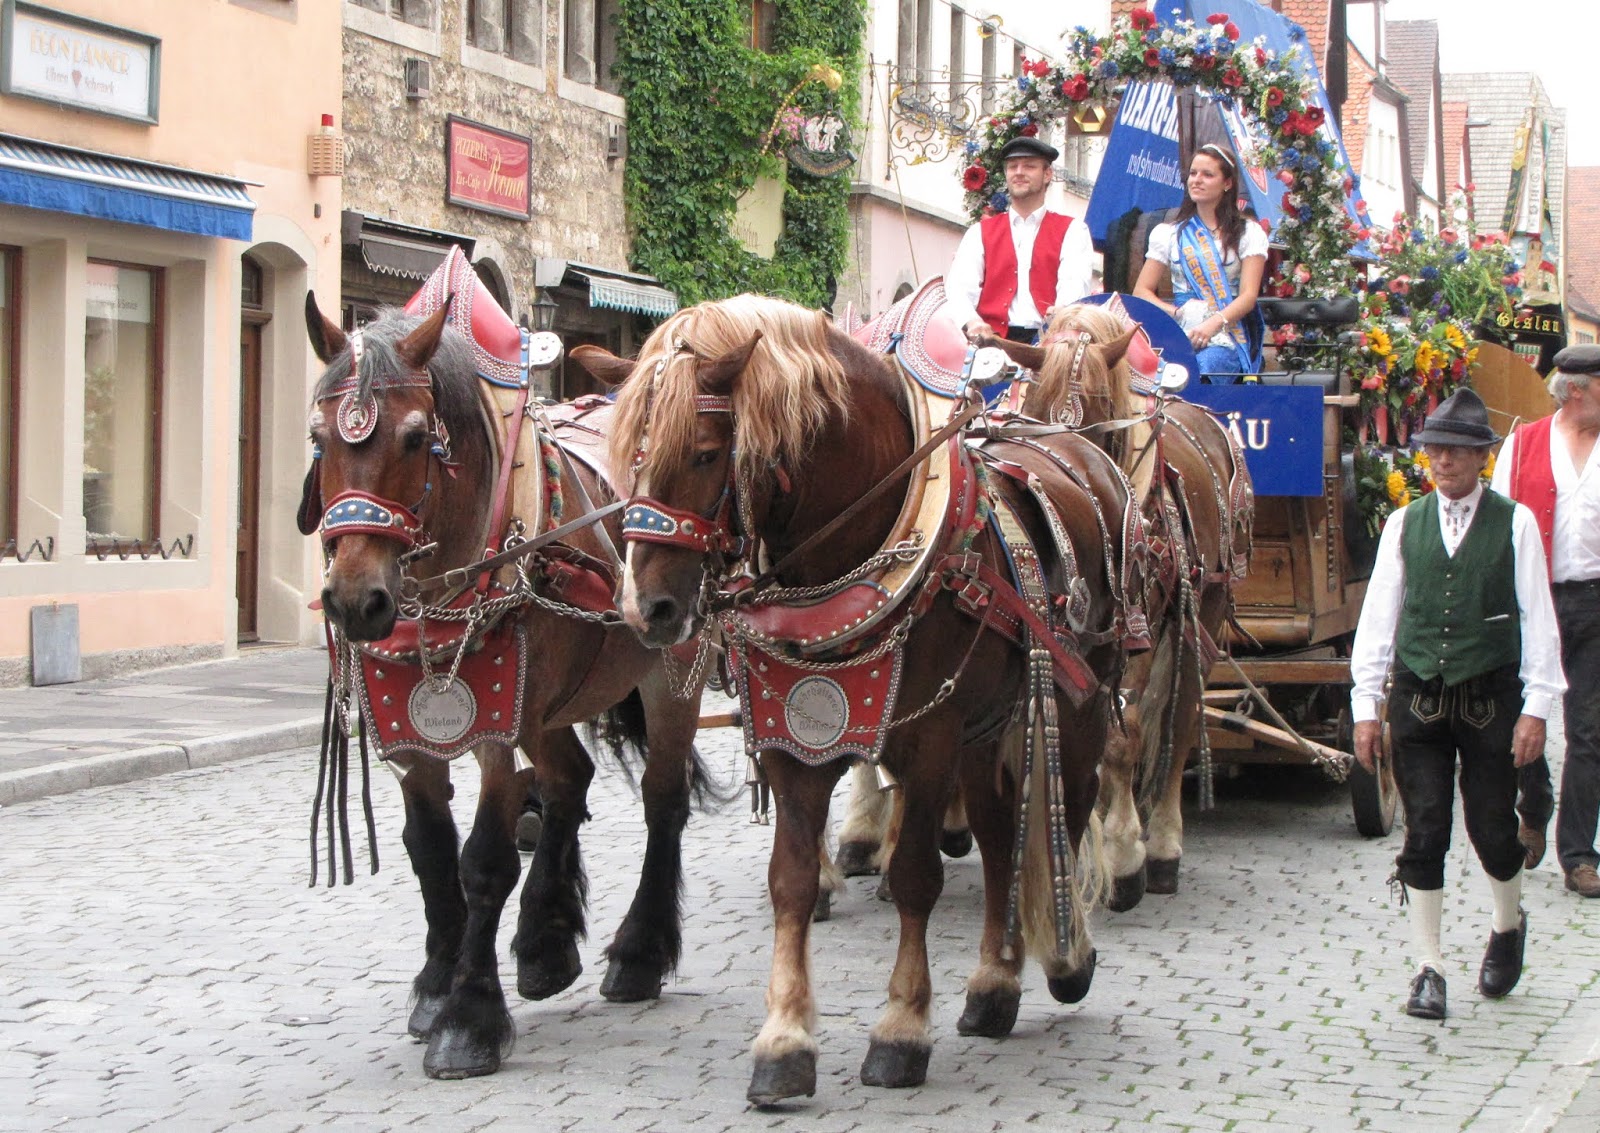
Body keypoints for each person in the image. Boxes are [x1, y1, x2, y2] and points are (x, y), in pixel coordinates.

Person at [1350, 387, 1564, 1020]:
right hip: (1418, 694)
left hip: (1491, 693)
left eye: (1457, 452)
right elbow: (1379, 619)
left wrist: (1537, 707)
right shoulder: (1402, 523)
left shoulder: (1515, 522)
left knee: (1495, 828)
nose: (1443, 462)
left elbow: (1539, 620)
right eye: (1435, 450)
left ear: (1482, 458)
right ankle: (1428, 967)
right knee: (1425, 828)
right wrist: (1366, 707)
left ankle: (1506, 924)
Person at [1492, 344, 1600, 898]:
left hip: (1596, 603)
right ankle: (1534, 799)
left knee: (1589, 732)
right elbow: (1499, 524)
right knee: (1520, 715)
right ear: (1578, 390)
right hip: (1533, 600)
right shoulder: (1524, 443)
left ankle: (1579, 855)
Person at [1132, 143, 1267, 378]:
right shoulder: (1169, 234)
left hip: (1227, 335)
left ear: (1227, 183)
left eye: (1207, 174)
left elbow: (1248, 296)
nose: (1197, 180)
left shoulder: (1248, 233)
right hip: (1180, 332)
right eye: (1193, 173)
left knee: (1200, 369)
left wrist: (1213, 323)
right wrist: (1177, 313)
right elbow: (1141, 291)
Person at [946, 135, 1095, 344]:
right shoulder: (979, 232)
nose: (1018, 172)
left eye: (1029, 166)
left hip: (1050, 342)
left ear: (1047, 174)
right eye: (1012, 166)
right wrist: (971, 321)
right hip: (991, 343)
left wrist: (1061, 311)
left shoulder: (1073, 230)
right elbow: (959, 288)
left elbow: (1074, 284)